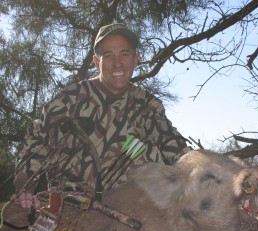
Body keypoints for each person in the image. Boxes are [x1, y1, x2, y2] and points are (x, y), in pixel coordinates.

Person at [12, 23, 191, 209]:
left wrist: (198, 167)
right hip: (70, 204)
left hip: (132, 204)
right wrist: (25, 187)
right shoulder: (69, 99)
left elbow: (172, 144)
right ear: (97, 63)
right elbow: (35, 146)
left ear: (136, 59)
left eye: (124, 54)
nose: (118, 63)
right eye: (108, 56)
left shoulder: (148, 105)